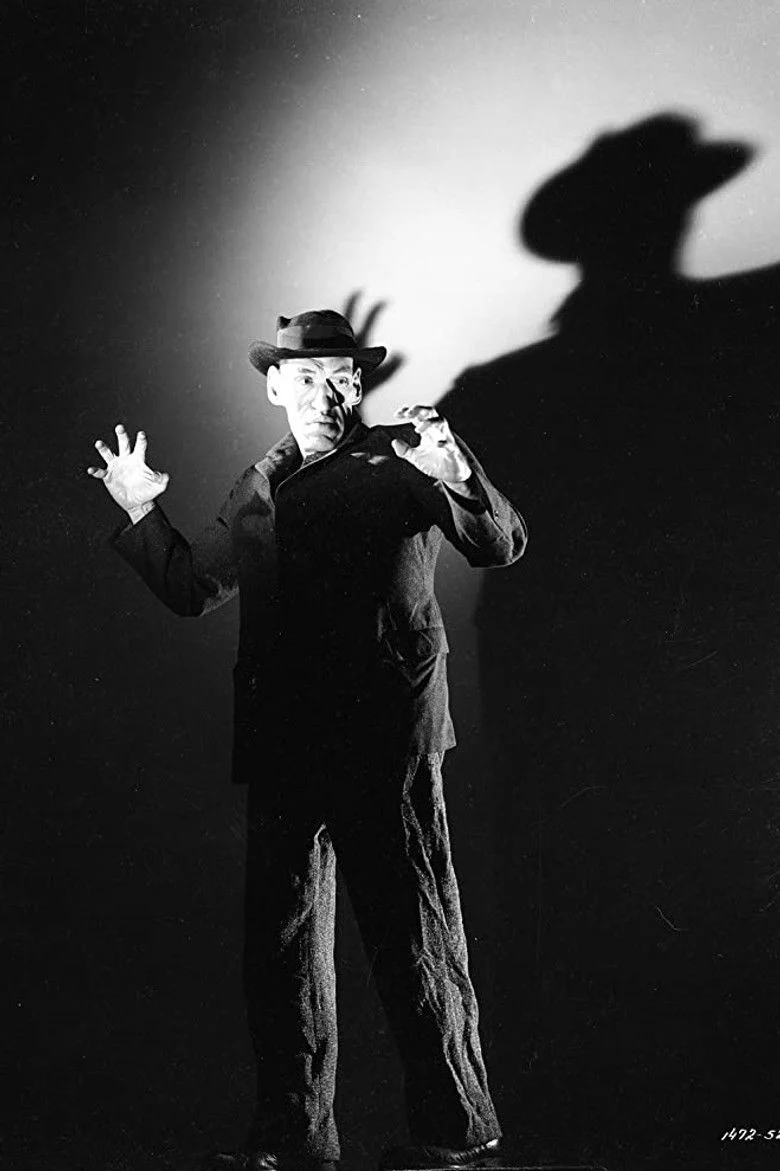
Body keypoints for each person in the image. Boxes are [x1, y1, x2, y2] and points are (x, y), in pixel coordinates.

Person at [87, 309, 528, 1171]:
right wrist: (142, 509)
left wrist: (458, 471)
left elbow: (499, 542)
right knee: (282, 948)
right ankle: (294, 1140)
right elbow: (191, 586)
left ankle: (459, 1129)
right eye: (311, 378)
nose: (330, 394)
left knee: (413, 935)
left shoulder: (402, 457)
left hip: (385, 742)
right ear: (275, 386)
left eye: (344, 379)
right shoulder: (258, 486)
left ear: (360, 386)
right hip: (285, 745)